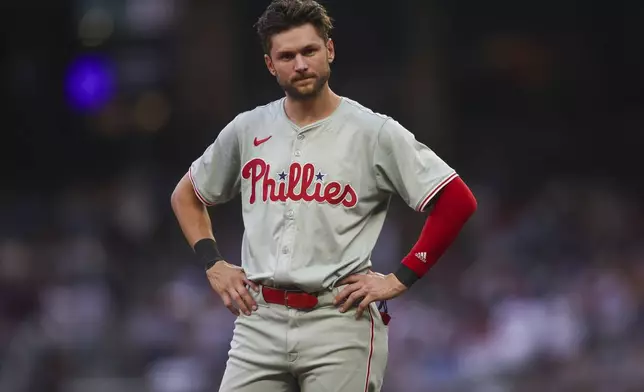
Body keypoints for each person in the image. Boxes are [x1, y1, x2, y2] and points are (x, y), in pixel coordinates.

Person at [170, 0, 477, 391]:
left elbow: (456, 201)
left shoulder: (373, 132)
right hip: (259, 319)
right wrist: (213, 263)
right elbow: (187, 195)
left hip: (338, 320)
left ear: (329, 50)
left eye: (309, 51)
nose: (300, 64)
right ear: (270, 64)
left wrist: (401, 278)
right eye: (287, 55)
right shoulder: (247, 129)